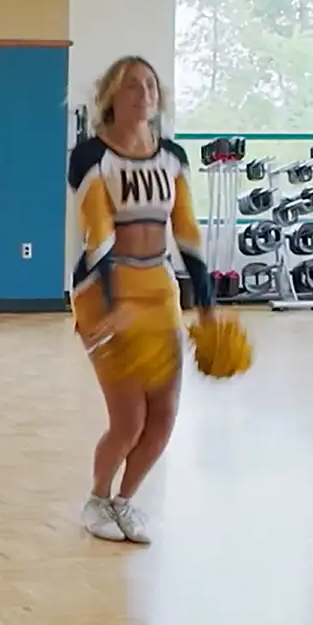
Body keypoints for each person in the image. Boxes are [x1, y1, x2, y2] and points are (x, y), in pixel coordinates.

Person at [67, 55, 216, 545]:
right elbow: (99, 236)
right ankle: (96, 498)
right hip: (103, 295)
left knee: (166, 413)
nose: (143, 93)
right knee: (128, 419)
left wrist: (208, 309)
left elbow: (187, 231)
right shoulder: (91, 156)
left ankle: (124, 501)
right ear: (110, 96)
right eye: (131, 85)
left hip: (159, 293)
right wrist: (113, 307)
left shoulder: (173, 157)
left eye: (150, 85)